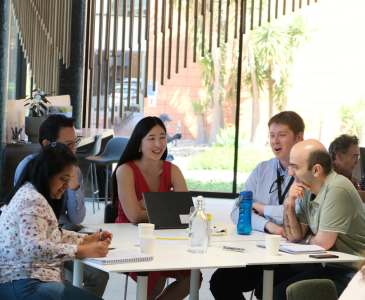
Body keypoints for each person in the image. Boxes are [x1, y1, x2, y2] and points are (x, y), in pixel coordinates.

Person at [210, 111, 311, 300]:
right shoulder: (262, 169)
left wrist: (262, 209)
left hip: (294, 256)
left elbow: (297, 218)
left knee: (267, 290)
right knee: (220, 281)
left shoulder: (309, 174)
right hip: (261, 250)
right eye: (272, 136)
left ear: (299, 137)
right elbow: (237, 211)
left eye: (282, 135)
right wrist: (269, 226)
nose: (275, 142)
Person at [0, 143, 113, 300]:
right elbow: (34, 248)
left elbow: (51, 235)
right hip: (24, 283)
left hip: (24, 281)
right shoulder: (32, 199)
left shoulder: (29, 193)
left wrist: (87, 239)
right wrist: (84, 250)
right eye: (63, 179)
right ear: (47, 174)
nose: (67, 185)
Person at [110, 116, 201, 300]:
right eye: (151, 138)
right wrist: (164, 205)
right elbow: (134, 216)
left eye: (162, 137)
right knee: (155, 278)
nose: (158, 144)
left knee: (193, 277)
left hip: (165, 237)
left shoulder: (172, 169)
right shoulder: (125, 170)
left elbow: (185, 212)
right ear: (139, 143)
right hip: (132, 239)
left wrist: (153, 204)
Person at [273, 139, 365, 299]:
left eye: (295, 167)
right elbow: (294, 236)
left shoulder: (337, 188)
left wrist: (307, 238)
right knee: (277, 292)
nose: (289, 172)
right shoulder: (308, 189)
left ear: (316, 169)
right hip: (333, 267)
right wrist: (289, 203)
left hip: (355, 273)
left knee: (290, 295)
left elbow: (323, 243)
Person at [328, 134, 365, 202]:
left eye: (358, 157)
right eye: (354, 157)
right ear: (339, 156)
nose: (357, 162)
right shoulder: (325, 176)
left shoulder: (347, 175)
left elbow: (358, 193)